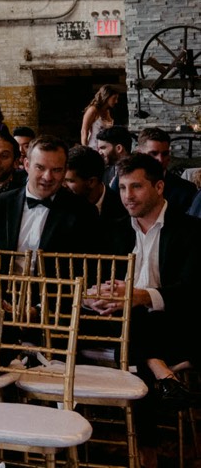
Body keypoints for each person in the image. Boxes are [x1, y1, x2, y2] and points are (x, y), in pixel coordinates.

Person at [95, 154, 201, 414]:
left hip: (172, 322)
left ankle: (143, 439)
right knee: (126, 313)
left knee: (137, 316)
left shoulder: (191, 230)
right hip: (120, 322)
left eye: (136, 186)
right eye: (122, 187)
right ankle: (161, 372)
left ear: (159, 186)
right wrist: (93, 295)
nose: (127, 196)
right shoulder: (113, 230)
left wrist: (142, 296)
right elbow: (100, 280)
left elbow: (191, 291)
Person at [0, 139, 101, 255]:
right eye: (40, 168)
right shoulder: (0, 203)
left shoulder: (84, 211)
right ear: (27, 165)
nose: (47, 177)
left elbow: (87, 264)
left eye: (56, 170)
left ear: (65, 171)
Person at [133, 129, 198, 212]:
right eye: (153, 153)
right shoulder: (125, 185)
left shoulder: (186, 190)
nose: (160, 159)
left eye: (165, 154)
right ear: (139, 154)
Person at [65, 144, 127, 224]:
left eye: (70, 181)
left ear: (91, 182)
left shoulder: (122, 209)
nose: (64, 185)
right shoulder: (62, 206)